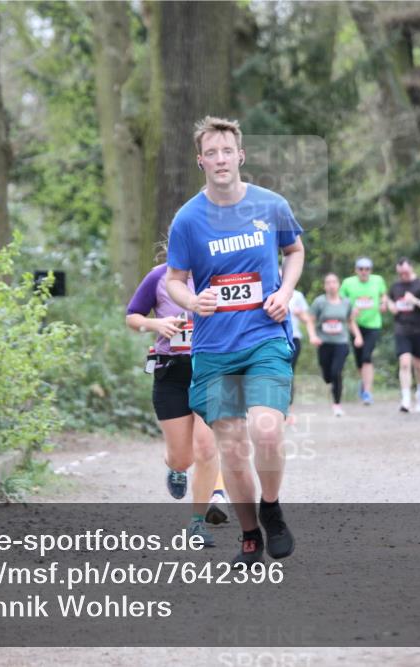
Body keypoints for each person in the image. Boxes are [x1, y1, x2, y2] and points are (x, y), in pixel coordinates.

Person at [165, 115, 305, 565]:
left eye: (228, 151)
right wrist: (192, 301)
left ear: (240, 156)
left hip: (264, 336)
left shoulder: (270, 205)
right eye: (212, 152)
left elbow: (295, 250)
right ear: (200, 160)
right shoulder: (188, 219)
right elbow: (173, 280)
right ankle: (249, 533)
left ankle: (272, 508)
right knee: (232, 449)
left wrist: (284, 293)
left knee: (267, 431)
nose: (221, 159)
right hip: (214, 349)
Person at [126, 261, 223, 545]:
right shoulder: (159, 275)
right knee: (183, 457)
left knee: (206, 448)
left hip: (210, 370)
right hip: (171, 372)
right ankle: (175, 466)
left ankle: (196, 523)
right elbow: (132, 316)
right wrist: (155, 323)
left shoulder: (218, 273)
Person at [306, 273, 362, 417]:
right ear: (325, 286)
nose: (331, 285)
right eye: (328, 282)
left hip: (341, 343)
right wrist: (313, 336)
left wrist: (358, 336)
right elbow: (310, 321)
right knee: (327, 376)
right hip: (324, 343)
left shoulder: (346, 302)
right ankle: (330, 383)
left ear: (338, 285)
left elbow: (350, 321)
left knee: (336, 372)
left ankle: (337, 404)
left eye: (334, 282)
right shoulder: (320, 302)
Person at [387, 258, 420, 412]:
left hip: (419, 330)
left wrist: (415, 301)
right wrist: (391, 306)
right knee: (404, 362)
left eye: (406, 272)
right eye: (400, 273)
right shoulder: (395, 286)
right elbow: (388, 299)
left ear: (411, 268)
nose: (403, 275)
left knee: (418, 363)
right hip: (401, 329)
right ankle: (406, 399)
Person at [340, 257, 388, 405]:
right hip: (355, 325)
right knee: (359, 361)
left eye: (367, 269)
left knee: (367, 357)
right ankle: (364, 383)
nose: (364, 272)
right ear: (356, 270)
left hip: (373, 324)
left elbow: (384, 295)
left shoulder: (378, 280)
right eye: (361, 269)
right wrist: (349, 309)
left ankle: (367, 392)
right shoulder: (348, 283)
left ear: (370, 270)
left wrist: (384, 303)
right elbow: (341, 299)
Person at [286, 279, 310, 424]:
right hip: (275, 338)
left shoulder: (297, 295)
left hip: (293, 338)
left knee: (288, 373)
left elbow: (307, 318)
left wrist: (300, 314)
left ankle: (288, 410)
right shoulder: (268, 292)